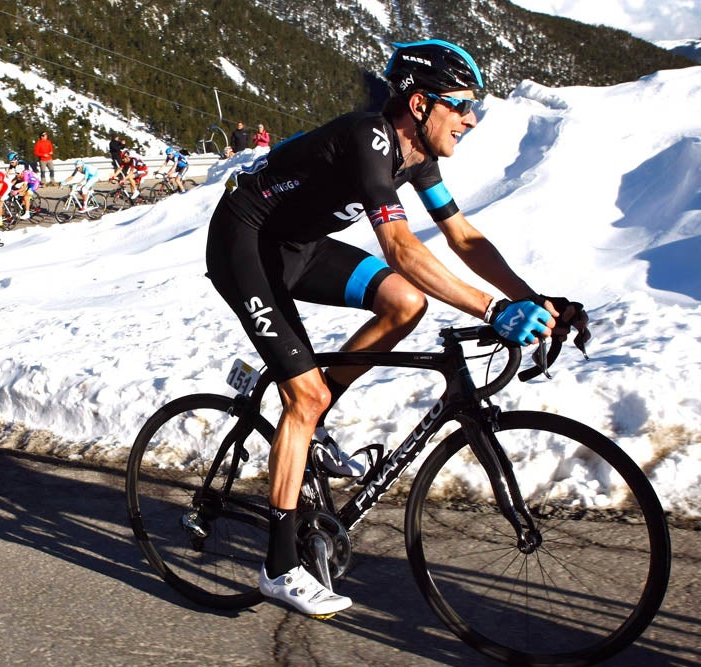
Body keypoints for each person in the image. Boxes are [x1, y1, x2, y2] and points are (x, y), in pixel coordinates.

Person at [204, 39, 589, 617]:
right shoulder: (370, 138)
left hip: (299, 247)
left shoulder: (420, 160)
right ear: (419, 104)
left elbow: (464, 238)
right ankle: (279, 567)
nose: (471, 119)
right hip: (243, 245)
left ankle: (313, 418)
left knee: (406, 304)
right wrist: (491, 310)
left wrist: (532, 301)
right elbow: (401, 248)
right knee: (304, 397)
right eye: (460, 105)